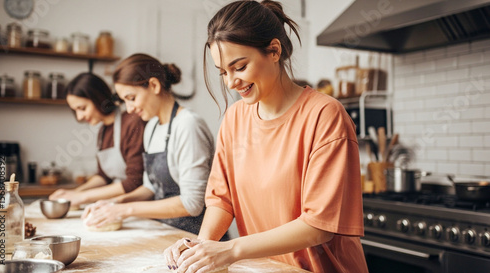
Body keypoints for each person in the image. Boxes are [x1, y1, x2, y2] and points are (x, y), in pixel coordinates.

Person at [164, 1, 368, 273]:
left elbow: (318, 226)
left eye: (240, 67)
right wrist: (200, 247)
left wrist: (230, 249)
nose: (230, 82)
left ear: (274, 50)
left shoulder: (325, 115)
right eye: (223, 72)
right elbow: (221, 201)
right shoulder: (234, 119)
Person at [81, 53, 215, 236]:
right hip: (166, 231)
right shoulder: (152, 127)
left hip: (196, 238)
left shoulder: (188, 125)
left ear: (154, 85)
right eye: (125, 101)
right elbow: (151, 187)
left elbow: (192, 204)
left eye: (131, 98)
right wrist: (117, 203)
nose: (129, 109)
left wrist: (125, 211)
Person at [49, 73, 146, 207]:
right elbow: (103, 177)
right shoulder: (103, 131)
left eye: (82, 108)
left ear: (97, 98)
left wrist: (82, 197)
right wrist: (73, 193)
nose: (79, 117)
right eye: (75, 111)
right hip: (117, 206)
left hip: (138, 205)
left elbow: (134, 181)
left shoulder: (131, 122)